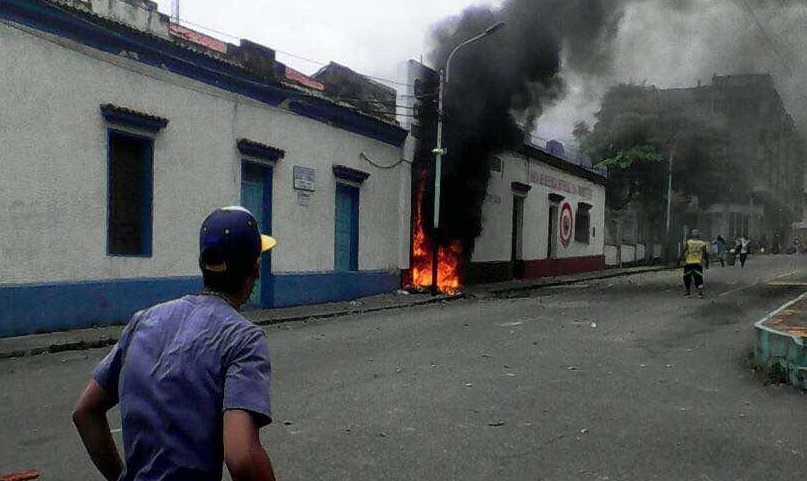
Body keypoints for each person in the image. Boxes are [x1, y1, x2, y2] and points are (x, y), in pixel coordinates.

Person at [73, 206, 278, 481]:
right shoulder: (242, 338)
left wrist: (122, 476)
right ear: (255, 269)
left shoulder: (143, 321)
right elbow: (242, 456)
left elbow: (85, 412)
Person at [680, 229, 709, 298]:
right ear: (699, 235)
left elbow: (683, 251)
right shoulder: (702, 243)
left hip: (689, 262)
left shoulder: (689, 242)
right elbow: (705, 254)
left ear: (692, 235)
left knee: (687, 278)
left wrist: (680, 259)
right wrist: (706, 262)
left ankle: (688, 293)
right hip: (698, 263)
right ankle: (700, 293)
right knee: (698, 278)